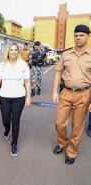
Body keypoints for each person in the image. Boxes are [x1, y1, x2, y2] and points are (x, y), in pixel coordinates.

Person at [52, 24, 91, 165]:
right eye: (76, 35)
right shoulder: (66, 54)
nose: (78, 38)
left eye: (81, 35)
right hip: (66, 93)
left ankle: (72, 151)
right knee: (59, 123)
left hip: (84, 95)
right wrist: (54, 92)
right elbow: (58, 72)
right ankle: (62, 143)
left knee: (77, 126)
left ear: (87, 36)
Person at [0, 43, 31, 157]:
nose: (14, 52)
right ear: (8, 52)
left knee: (15, 119)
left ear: (18, 52)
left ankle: (14, 143)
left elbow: (27, 82)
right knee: (6, 119)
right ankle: (6, 129)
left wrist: (28, 97)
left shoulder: (23, 64)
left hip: (19, 97)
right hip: (4, 96)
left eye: (15, 50)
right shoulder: (3, 64)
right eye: (11, 50)